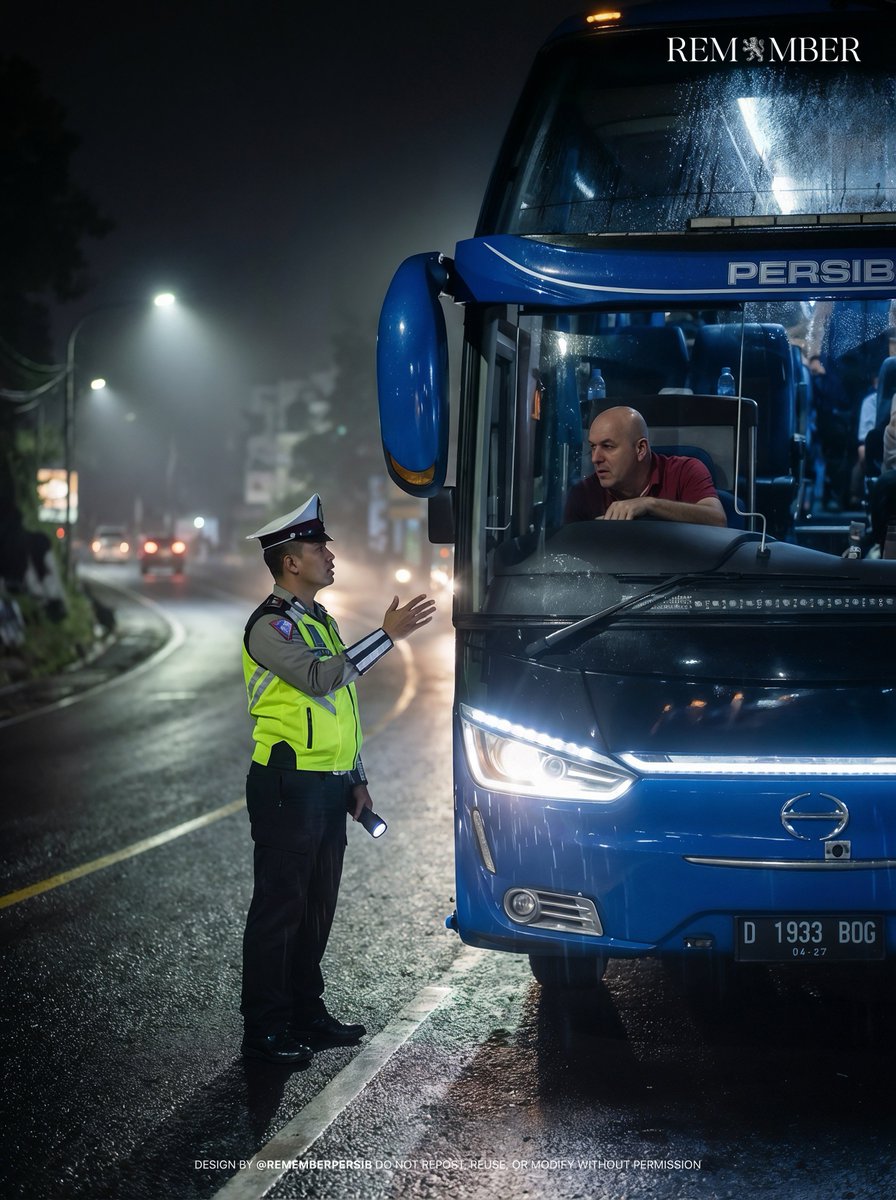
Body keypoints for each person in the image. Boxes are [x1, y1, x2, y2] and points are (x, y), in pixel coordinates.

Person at [240, 494, 435, 1065]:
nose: (330, 555)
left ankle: (306, 1012)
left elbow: (341, 709)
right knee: (280, 910)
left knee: (317, 907)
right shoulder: (270, 626)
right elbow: (321, 680)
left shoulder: (318, 620)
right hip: (287, 786)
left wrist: (356, 777)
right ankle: (265, 1029)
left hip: (328, 785)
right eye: (317, 548)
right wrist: (386, 636)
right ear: (290, 562)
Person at [564, 406, 727, 526]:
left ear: (640, 449)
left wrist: (649, 504)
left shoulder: (685, 471)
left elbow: (718, 519)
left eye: (607, 446)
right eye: (593, 447)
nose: (595, 458)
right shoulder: (584, 493)